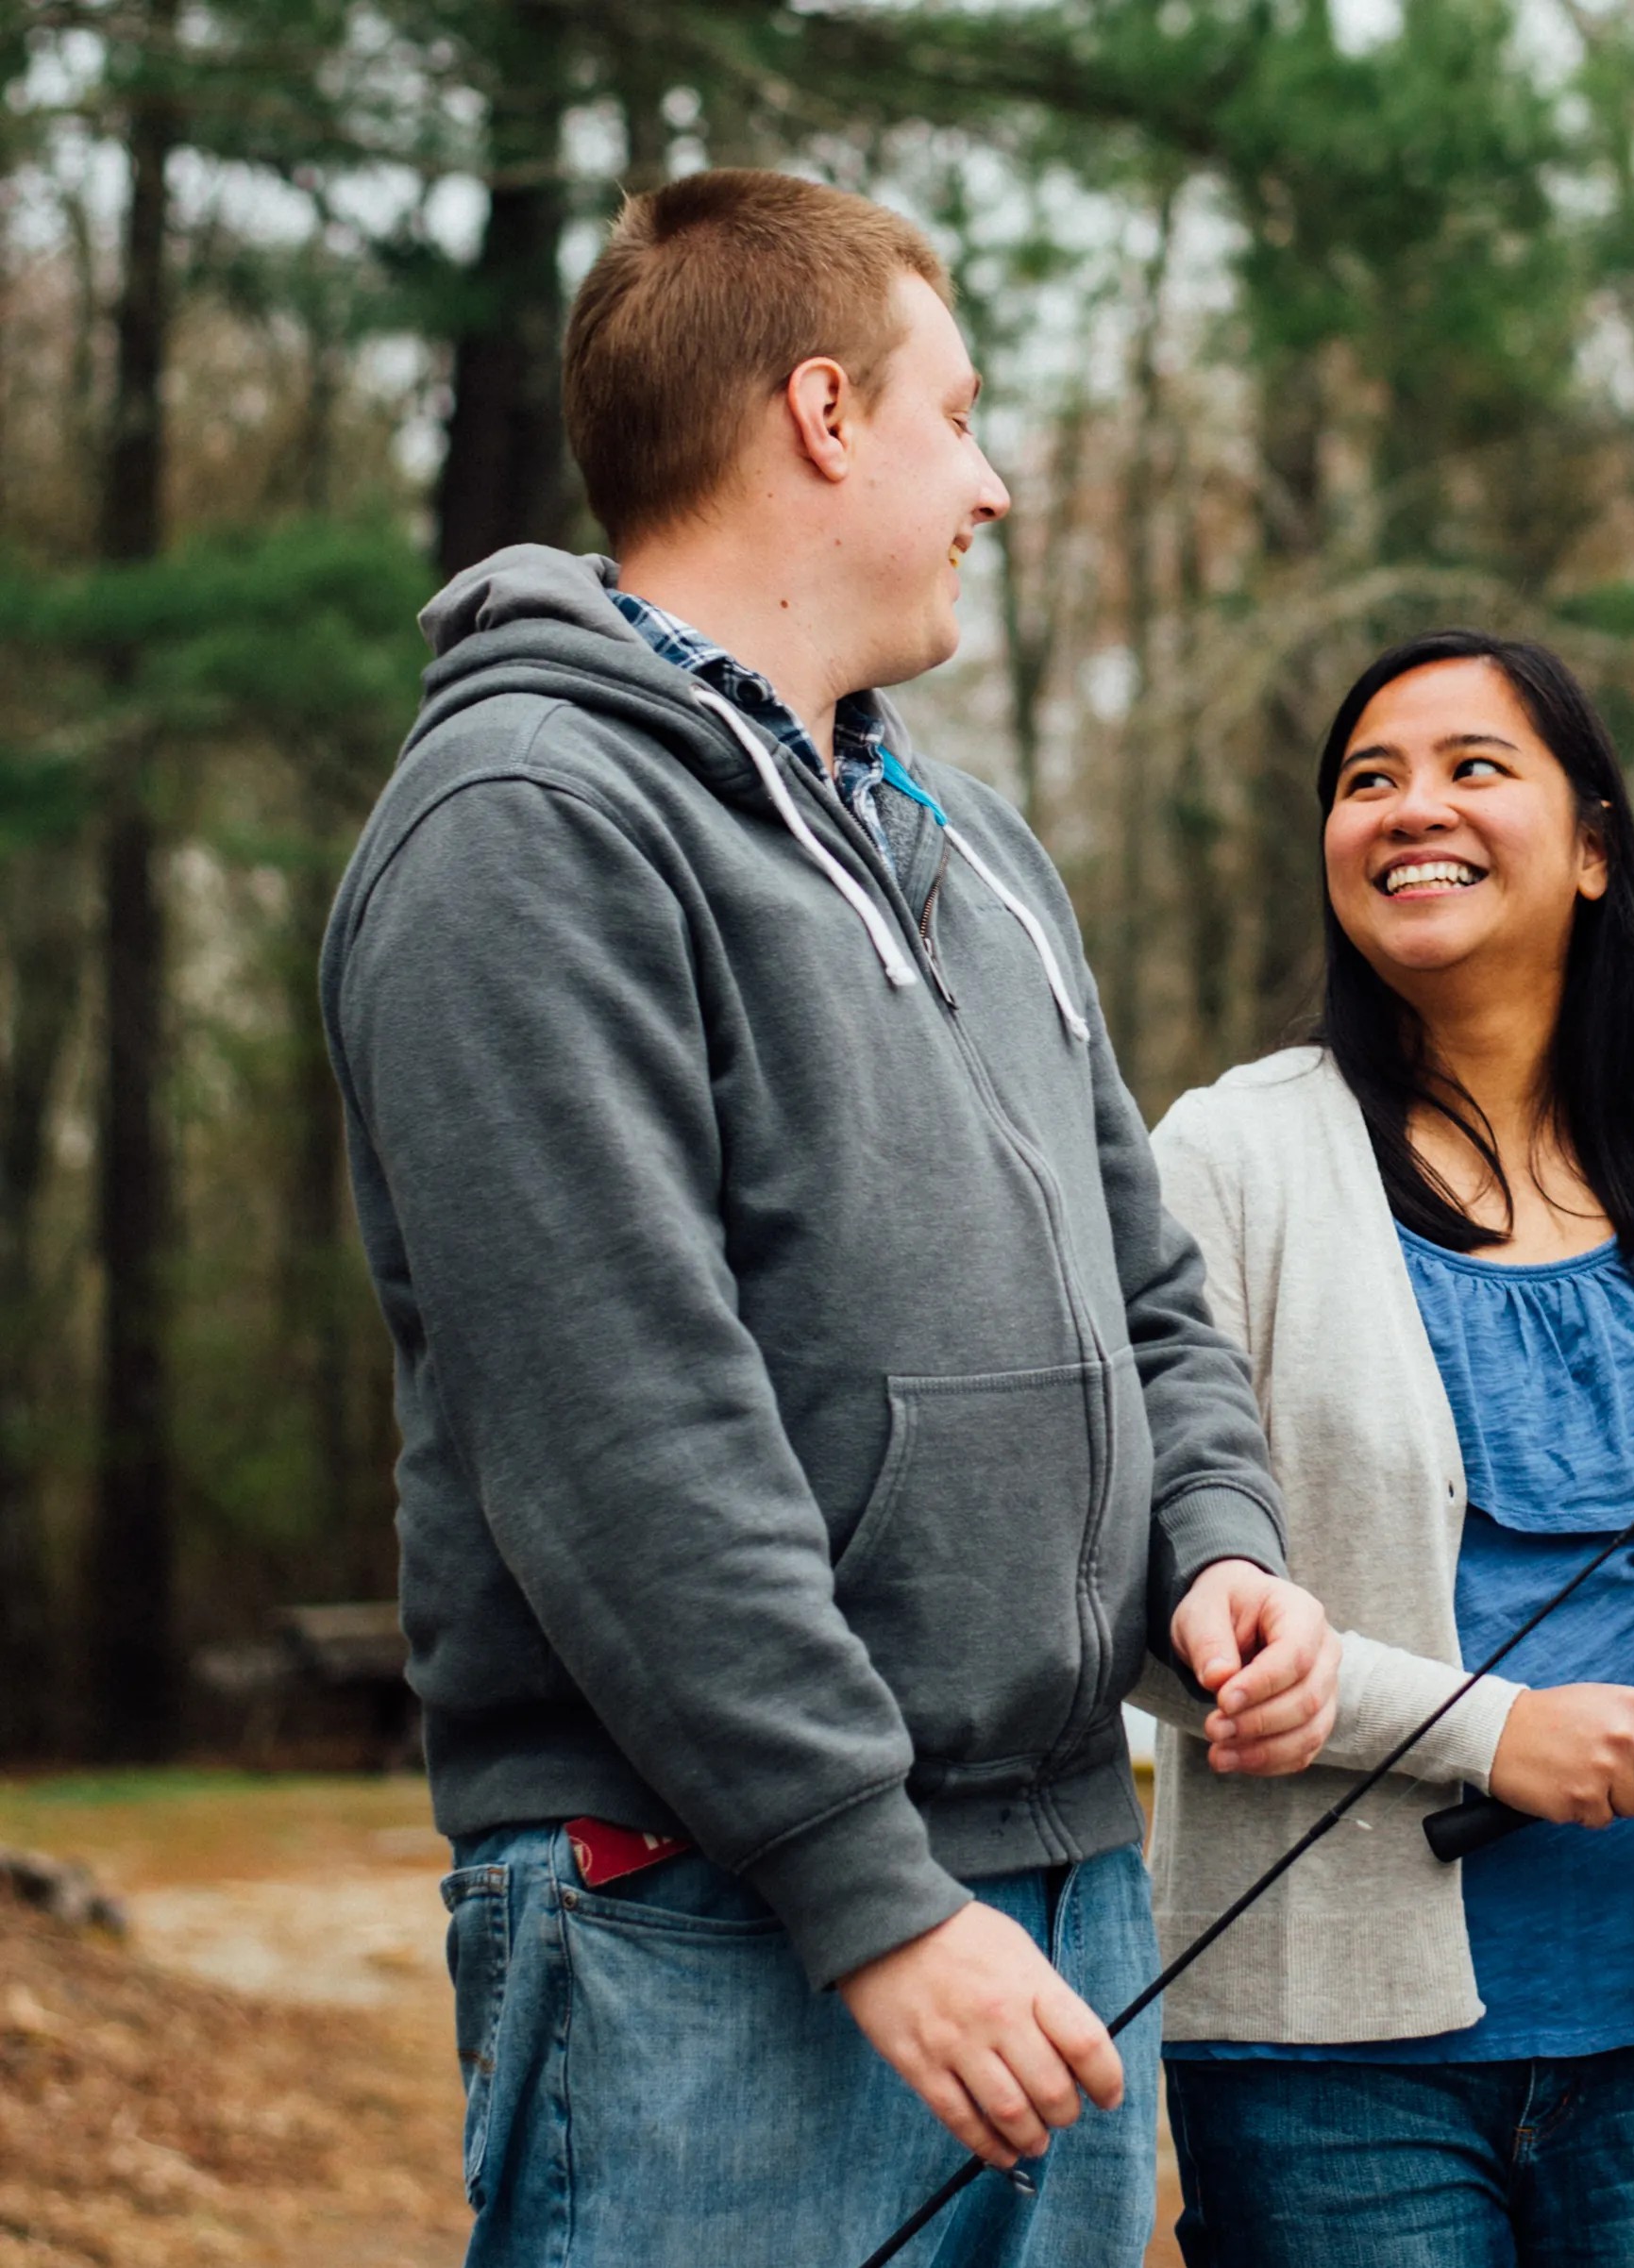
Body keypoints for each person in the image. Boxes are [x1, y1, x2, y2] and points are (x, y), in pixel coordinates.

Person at [318, 169, 1340, 2267]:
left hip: (1063, 1887)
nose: (996, 484)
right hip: (708, 1914)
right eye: (957, 415)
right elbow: (623, 1433)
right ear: (821, 413)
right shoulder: (526, 822)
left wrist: (1213, 1545)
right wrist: (867, 1886)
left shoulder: (974, 844)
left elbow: (1146, 1288)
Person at [1137, 630, 1634, 2267]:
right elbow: (1154, 1597)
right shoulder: (1227, 1158)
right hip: (1320, 2055)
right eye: (1369, 780)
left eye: (1471, 767)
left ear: (1591, 850)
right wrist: (1493, 1736)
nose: (1411, 807)